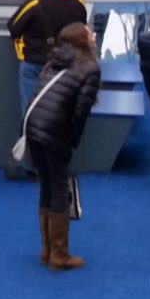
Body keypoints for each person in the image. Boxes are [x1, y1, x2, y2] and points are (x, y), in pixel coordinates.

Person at [23, 21, 101, 270]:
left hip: (33, 126)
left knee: (46, 183)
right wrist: (71, 142)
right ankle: (59, 254)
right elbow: (80, 111)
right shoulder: (89, 68)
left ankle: (47, 249)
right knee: (59, 188)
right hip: (54, 131)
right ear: (81, 41)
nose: (94, 36)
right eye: (90, 34)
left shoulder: (55, 60)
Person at [7, 0, 88, 173]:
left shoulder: (35, 3)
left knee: (31, 112)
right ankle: (57, 161)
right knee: (61, 112)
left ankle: (31, 165)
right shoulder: (78, 1)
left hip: (36, 64)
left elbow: (13, 26)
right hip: (68, 66)